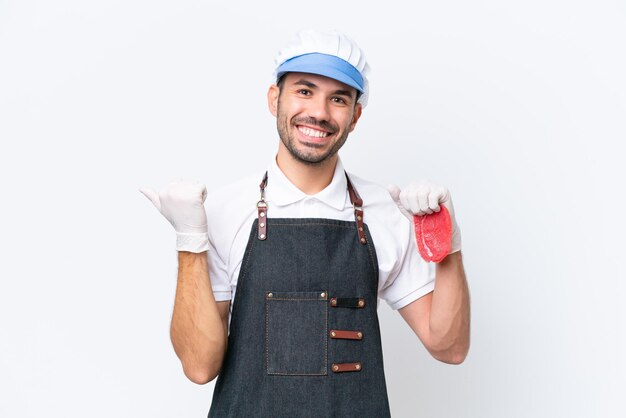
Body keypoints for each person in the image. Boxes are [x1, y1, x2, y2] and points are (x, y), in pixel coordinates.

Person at [140, 29, 470, 417]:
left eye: (338, 99)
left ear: (355, 116)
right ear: (274, 99)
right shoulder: (224, 210)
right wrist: (189, 239)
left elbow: (449, 346)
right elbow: (199, 367)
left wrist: (447, 245)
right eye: (304, 91)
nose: (319, 112)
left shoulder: (386, 212)